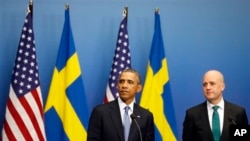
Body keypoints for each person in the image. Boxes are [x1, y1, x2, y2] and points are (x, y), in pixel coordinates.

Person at [87, 68, 155, 141]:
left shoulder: (146, 116)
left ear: (138, 88)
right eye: (121, 81)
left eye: (130, 82)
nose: (124, 86)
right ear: (117, 86)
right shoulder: (100, 112)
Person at [182, 70, 248, 141]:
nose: (207, 88)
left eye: (212, 83)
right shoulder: (192, 114)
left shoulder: (238, 112)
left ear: (222, 86)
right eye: (205, 84)